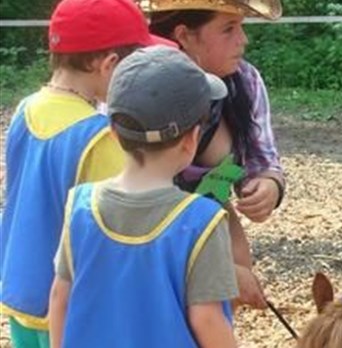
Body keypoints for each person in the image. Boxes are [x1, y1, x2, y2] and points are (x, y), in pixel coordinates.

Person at [0, 0, 172, 347]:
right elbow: (122, 235)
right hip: (74, 311)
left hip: (22, 294)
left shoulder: (27, 109)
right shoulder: (99, 138)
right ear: (110, 65)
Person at [48, 45, 238, 348]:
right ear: (191, 140)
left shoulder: (80, 206)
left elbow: (60, 297)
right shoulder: (201, 221)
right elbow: (207, 319)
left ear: (113, 132)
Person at [145, 0, 286, 309]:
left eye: (241, 28)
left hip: (216, 227)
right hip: (147, 237)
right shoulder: (143, 90)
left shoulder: (245, 83)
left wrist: (269, 185)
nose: (243, 40)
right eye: (228, 29)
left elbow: (263, 159)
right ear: (185, 35)